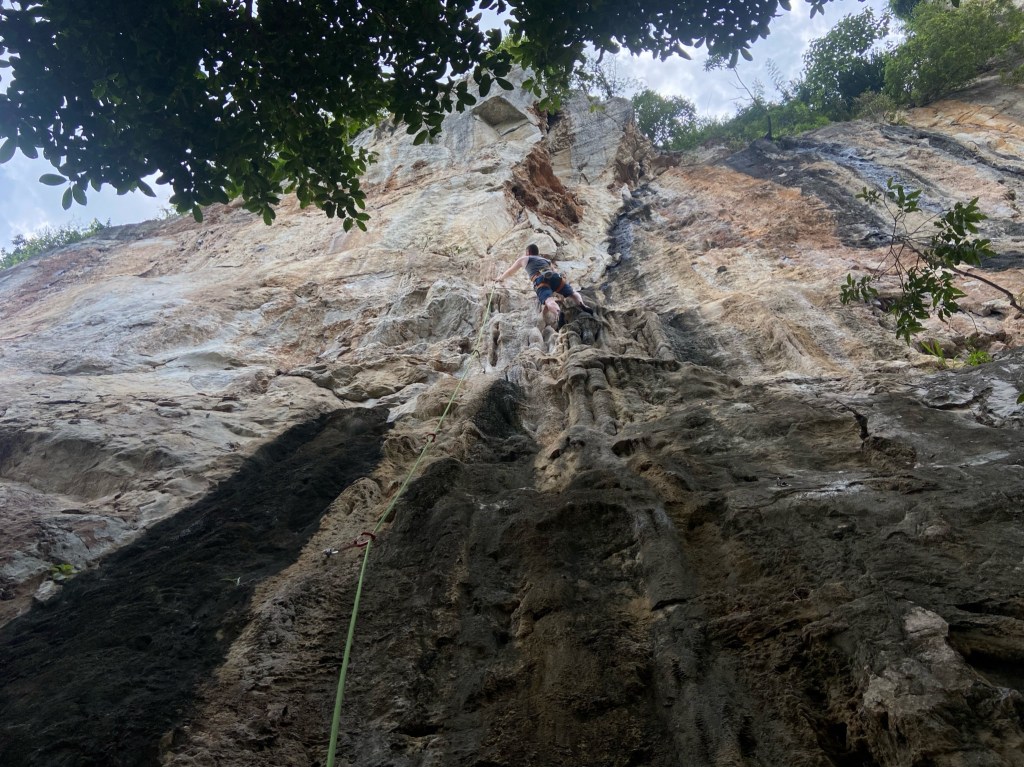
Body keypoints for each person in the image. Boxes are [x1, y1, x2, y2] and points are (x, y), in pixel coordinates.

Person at [496, 244, 591, 327]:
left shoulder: (524, 259)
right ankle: (582, 304)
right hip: (555, 277)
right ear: (537, 252)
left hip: (540, 279)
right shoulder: (546, 260)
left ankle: (558, 313)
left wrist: (499, 278)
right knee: (572, 292)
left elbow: (510, 272)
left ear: (528, 252)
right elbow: (554, 271)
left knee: (549, 300)